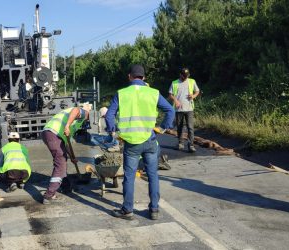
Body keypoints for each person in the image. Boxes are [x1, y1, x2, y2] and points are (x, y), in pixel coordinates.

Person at [105, 64, 174, 220]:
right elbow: (170, 110)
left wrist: (112, 131)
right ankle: (154, 209)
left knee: (129, 176)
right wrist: (163, 127)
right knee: (152, 175)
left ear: (129, 76)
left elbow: (109, 115)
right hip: (150, 140)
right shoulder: (153, 93)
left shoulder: (121, 93)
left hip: (131, 144)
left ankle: (128, 210)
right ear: (144, 77)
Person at [41, 104, 91, 204]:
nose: (86, 120)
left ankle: (66, 186)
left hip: (50, 134)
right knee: (60, 164)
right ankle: (49, 195)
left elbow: (66, 142)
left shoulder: (73, 120)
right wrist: (67, 126)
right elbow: (76, 110)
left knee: (63, 159)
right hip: (54, 134)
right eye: (88, 118)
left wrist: (72, 157)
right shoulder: (82, 113)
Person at [168, 68, 200, 152]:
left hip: (189, 108)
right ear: (180, 75)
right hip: (179, 109)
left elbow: (197, 91)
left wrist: (193, 96)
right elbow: (170, 95)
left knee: (190, 127)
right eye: (184, 76)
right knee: (180, 127)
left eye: (187, 76)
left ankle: (191, 145)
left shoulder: (192, 81)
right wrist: (175, 100)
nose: (185, 77)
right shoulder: (174, 83)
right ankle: (180, 143)